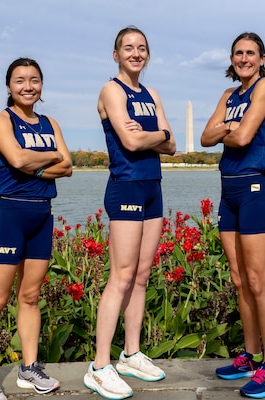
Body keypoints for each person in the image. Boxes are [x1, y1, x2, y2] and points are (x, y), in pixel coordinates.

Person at [83, 26, 176, 400]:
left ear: (147, 54)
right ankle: (99, 365)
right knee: (120, 277)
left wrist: (154, 137)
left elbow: (172, 145)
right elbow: (133, 140)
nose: (135, 53)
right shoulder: (111, 90)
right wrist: (157, 136)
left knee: (141, 274)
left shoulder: (151, 94)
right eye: (128, 48)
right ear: (116, 54)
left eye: (141, 48)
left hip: (152, 186)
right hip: (125, 187)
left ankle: (131, 353)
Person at [0, 57, 72, 400]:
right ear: (9, 86)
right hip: (8, 215)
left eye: (34, 80)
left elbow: (69, 165)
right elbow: (16, 160)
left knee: (30, 297)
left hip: (41, 216)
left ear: (41, 85)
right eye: (20, 80)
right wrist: (46, 158)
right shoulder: (0, 119)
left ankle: (29, 368)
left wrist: (34, 162)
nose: (27, 86)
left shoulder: (49, 121)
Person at [200, 32, 265, 399]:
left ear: (262, 58)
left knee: (258, 280)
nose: (244, 58)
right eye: (238, 53)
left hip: (253, 186)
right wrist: (228, 128)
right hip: (229, 190)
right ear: (232, 59)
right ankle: (250, 357)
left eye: (250, 53)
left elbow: (243, 137)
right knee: (238, 279)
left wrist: (230, 130)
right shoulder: (229, 95)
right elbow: (206, 137)